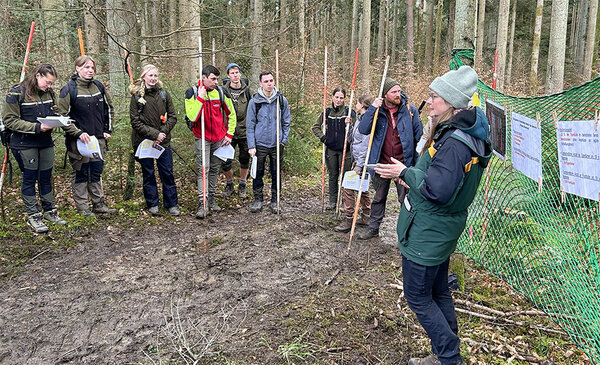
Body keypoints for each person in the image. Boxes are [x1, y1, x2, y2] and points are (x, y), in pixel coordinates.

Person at [375, 66, 492, 365]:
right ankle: (443, 356)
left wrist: (404, 172)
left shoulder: (454, 143)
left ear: (451, 103)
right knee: (439, 291)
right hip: (439, 230)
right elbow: (438, 178)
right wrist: (412, 174)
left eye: (434, 97)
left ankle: (449, 358)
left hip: (429, 232)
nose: (429, 102)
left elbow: (438, 190)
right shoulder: (461, 132)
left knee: (417, 296)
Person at [2, 63, 89, 232]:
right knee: (29, 178)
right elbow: (9, 120)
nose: (49, 86)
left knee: (45, 177)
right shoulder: (16, 92)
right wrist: (36, 127)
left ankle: (50, 211)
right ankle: (34, 216)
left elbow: (56, 114)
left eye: (51, 83)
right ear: (38, 76)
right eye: (47, 82)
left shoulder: (49, 93)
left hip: (45, 142)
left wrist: (75, 131)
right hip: (24, 143)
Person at [357, 78, 422, 240]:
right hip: (381, 162)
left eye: (399, 91)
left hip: (403, 164)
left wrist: (415, 163)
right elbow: (363, 129)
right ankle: (373, 228)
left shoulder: (410, 110)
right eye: (394, 92)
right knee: (378, 198)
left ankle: (407, 232)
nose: (398, 94)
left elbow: (419, 137)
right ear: (385, 94)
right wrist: (372, 109)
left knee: (406, 200)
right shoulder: (377, 111)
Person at [56, 55, 116, 216]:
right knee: (81, 172)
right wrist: (78, 133)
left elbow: (108, 109)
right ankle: (83, 207)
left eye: (92, 68)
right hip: (78, 142)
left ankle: (99, 204)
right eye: (86, 67)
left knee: (96, 171)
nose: (90, 71)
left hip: (98, 139)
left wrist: (107, 130)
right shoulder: (69, 89)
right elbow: (61, 118)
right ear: (77, 68)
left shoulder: (99, 86)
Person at [185, 65, 237, 218]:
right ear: (204, 78)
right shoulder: (192, 93)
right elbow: (193, 116)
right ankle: (203, 203)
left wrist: (229, 134)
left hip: (219, 139)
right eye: (213, 79)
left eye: (217, 79)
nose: (216, 82)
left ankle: (212, 200)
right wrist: (200, 97)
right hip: (202, 137)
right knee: (203, 169)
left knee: (215, 169)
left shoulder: (221, 92)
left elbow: (231, 114)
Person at [128, 64, 179, 216]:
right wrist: (154, 134)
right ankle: (152, 204)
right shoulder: (137, 97)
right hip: (144, 142)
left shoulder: (164, 94)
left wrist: (162, 133)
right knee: (148, 173)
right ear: (143, 76)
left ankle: (171, 204)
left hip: (164, 142)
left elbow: (172, 116)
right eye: (150, 75)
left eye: (155, 76)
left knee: (167, 172)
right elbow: (135, 121)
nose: (153, 79)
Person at [246, 71, 291, 213]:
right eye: (266, 81)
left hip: (276, 143)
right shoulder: (255, 102)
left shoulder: (281, 100)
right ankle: (258, 199)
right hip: (260, 143)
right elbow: (250, 125)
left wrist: (283, 140)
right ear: (260, 83)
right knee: (258, 173)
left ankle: (275, 200)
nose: (269, 83)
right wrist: (251, 145)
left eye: (271, 80)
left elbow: (286, 121)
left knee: (276, 172)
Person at [312, 88, 356, 210]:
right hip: (331, 150)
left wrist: (350, 123)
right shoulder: (326, 112)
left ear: (344, 99)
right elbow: (315, 127)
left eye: (341, 98)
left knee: (345, 176)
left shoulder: (349, 112)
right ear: (332, 97)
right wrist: (324, 138)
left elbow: (358, 130)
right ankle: (332, 201)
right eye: (336, 97)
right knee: (332, 175)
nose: (338, 100)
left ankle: (344, 202)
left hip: (345, 150)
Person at [334, 94, 373, 233]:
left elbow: (365, 145)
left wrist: (359, 165)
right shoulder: (359, 120)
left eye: (357, 103)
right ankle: (367, 216)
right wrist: (349, 126)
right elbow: (352, 139)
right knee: (362, 188)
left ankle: (349, 218)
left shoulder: (368, 122)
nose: (355, 105)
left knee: (348, 188)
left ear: (363, 105)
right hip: (357, 158)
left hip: (362, 161)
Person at [221, 63, 252, 198]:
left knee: (244, 159)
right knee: (225, 160)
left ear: (240, 74)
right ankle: (229, 184)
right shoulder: (222, 91)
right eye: (232, 73)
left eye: (237, 72)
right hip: (228, 132)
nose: (235, 75)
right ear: (228, 75)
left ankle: (243, 184)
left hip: (245, 131)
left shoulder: (248, 91)